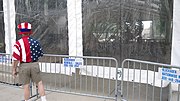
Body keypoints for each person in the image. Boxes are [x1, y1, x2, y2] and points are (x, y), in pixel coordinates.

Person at [12, 22, 47, 101]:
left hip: (24, 66)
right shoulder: (36, 42)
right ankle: (44, 99)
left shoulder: (18, 43)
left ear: (21, 33)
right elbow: (40, 54)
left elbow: (16, 59)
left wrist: (14, 69)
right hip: (35, 64)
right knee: (39, 83)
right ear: (30, 32)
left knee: (26, 86)